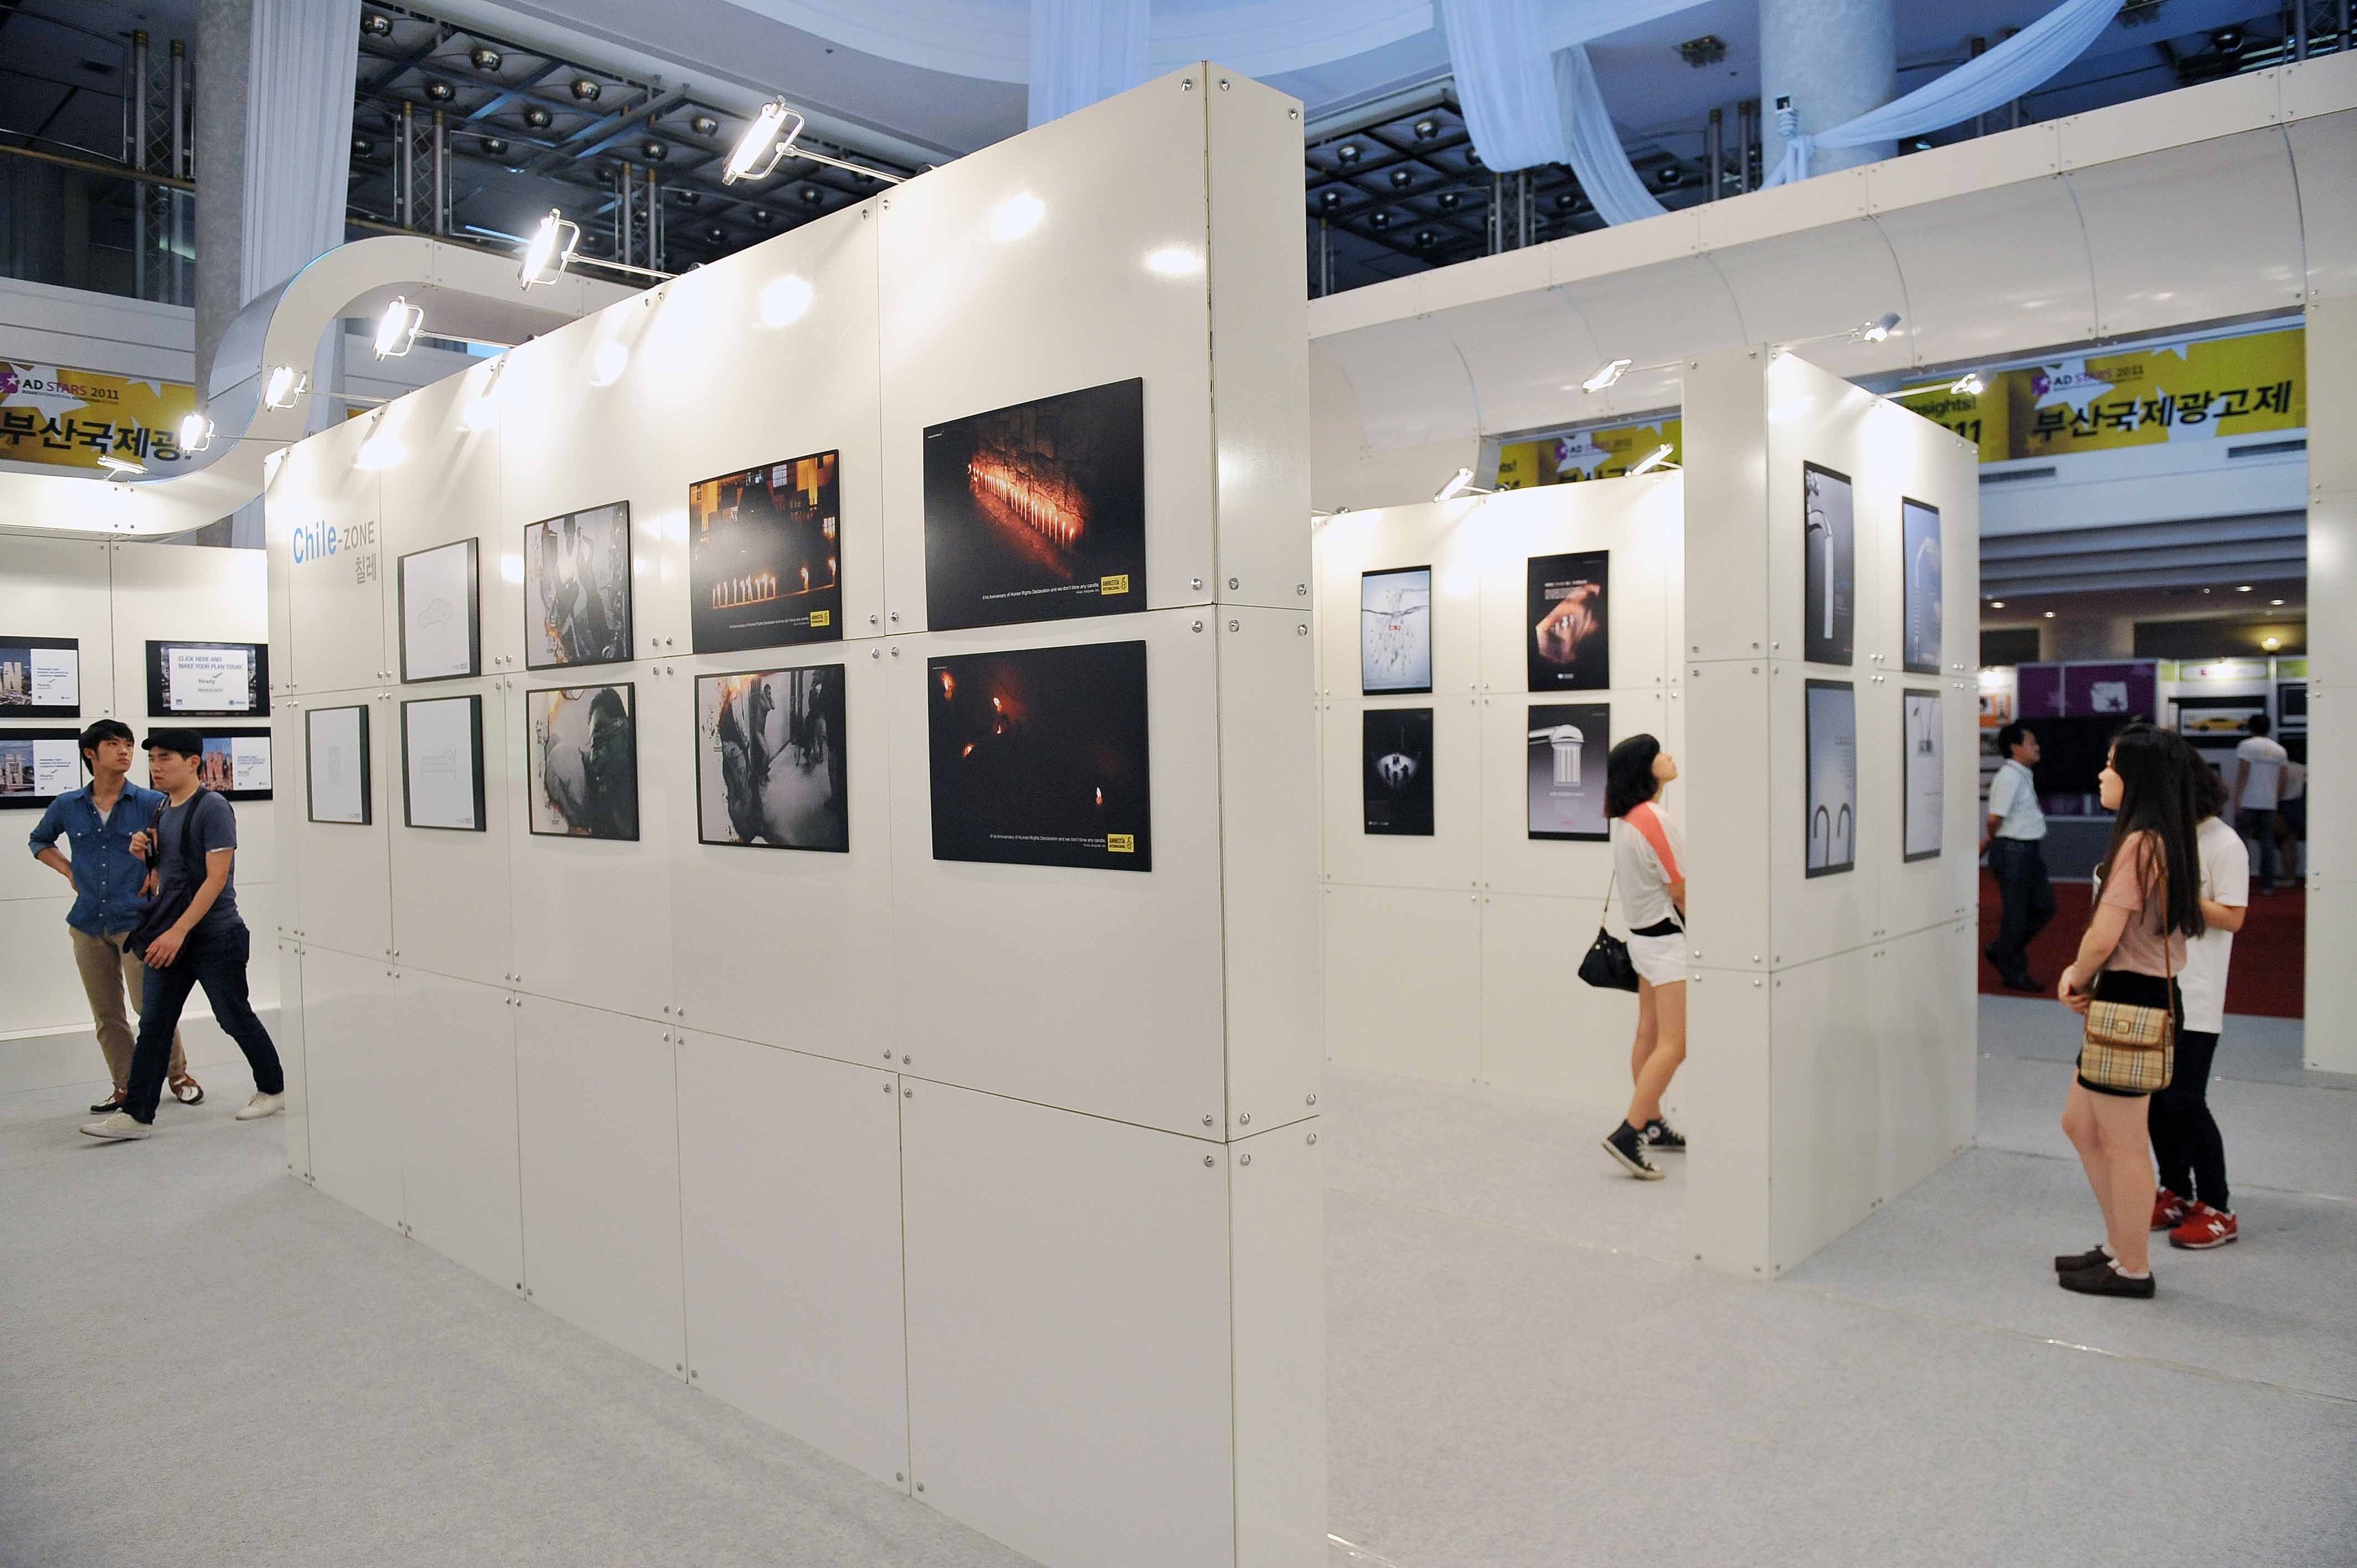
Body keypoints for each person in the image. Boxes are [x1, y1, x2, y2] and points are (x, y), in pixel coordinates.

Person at [2052, 723, 2204, 1298]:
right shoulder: (2162, 839)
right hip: (2131, 994)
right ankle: (2119, 1245)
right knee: (2080, 1123)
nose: (2101, 774)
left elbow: (2103, 934)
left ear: (2137, 777)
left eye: (2111, 765)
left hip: (2130, 998)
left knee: (2124, 1141)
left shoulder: (2141, 843)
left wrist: (2074, 974)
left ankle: (2133, 1267)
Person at [80, 729, 285, 1141]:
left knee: (233, 1017)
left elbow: (216, 879)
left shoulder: (213, 808)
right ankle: (137, 1115)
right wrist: (148, 857)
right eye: (152, 758)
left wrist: (177, 931)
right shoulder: (163, 809)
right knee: (155, 1023)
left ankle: (273, 1089)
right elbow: (165, 878)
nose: (155, 767)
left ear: (193, 763)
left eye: (165, 758)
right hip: (171, 934)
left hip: (215, 936)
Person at [26, 719, 199, 1114]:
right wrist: (69, 870)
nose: (125, 751)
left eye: (128, 744)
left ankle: (177, 1074)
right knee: (107, 1014)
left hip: (138, 922)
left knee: (150, 1007)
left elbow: (177, 849)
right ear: (91, 753)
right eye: (114, 744)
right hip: (87, 922)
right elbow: (39, 840)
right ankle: (125, 1086)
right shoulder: (67, 805)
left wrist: (157, 872)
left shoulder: (150, 801)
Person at [2149, 742, 2248, 1250]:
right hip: (2157, 986)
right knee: (2155, 1100)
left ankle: (2218, 1206)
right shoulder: (2167, 837)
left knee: (2186, 1101)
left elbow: (2233, 917)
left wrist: (2178, 892)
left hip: (2198, 994)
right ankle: (2176, 1190)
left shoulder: (2224, 843)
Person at [1598, 734, 1688, 1180]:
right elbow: (1680, 889)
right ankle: (1630, 1131)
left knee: (1648, 1036)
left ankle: (1651, 1121)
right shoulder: (1654, 819)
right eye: (1659, 754)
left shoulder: (1630, 820)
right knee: (1676, 1043)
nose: (1669, 757)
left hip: (1643, 942)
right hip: (1667, 946)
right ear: (1645, 768)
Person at [1982, 723, 2053, 992]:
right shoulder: (2009, 777)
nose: (2037, 748)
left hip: (2026, 852)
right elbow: (1994, 819)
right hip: (2014, 853)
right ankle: (2014, 972)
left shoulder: (2022, 774)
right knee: (2017, 915)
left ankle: (2002, 950)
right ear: (2015, 748)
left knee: (2045, 906)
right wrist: (1993, 840)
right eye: (2031, 743)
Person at [2232, 716, 2289, 894]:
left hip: (2248, 800)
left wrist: (2237, 798)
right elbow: (2283, 779)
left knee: (2241, 843)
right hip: (2269, 803)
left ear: (2251, 728)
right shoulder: (2280, 750)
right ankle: (2267, 885)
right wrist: (2276, 799)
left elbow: (2244, 773)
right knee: (2268, 844)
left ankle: (2239, 884)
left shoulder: (2247, 746)